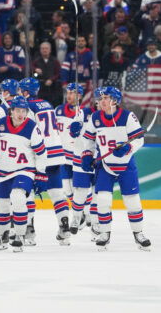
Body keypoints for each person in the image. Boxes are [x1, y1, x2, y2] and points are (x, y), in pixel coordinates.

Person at [81, 86, 151, 250]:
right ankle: (104, 233)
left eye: (105, 98)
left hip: (126, 165)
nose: (101, 101)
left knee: (133, 202)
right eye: (100, 98)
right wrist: (86, 155)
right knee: (103, 200)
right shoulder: (95, 117)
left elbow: (139, 139)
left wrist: (128, 148)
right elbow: (89, 141)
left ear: (115, 100)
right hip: (105, 166)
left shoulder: (127, 117)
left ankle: (138, 233)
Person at [0, 96, 47, 251]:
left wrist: (41, 174)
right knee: (1, 205)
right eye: (18, 110)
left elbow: (41, 153)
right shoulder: (1, 124)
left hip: (24, 170)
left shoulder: (32, 127)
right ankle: (2, 236)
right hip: (3, 171)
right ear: (11, 111)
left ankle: (20, 235)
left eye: (24, 111)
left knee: (18, 197)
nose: (21, 114)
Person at [18, 77, 71, 245]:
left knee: (29, 192)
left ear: (26, 92)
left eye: (20, 91)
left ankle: (29, 231)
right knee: (56, 192)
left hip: (41, 154)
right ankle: (64, 228)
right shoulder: (47, 104)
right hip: (56, 152)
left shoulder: (27, 107)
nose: (19, 94)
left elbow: (27, 130)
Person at [55, 83, 94, 231]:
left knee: (81, 188)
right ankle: (81, 213)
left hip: (78, 155)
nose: (69, 96)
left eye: (73, 93)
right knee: (67, 189)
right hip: (63, 155)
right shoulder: (58, 110)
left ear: (80, 96)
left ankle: (87, 213)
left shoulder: (85, 113)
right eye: (68, 92)